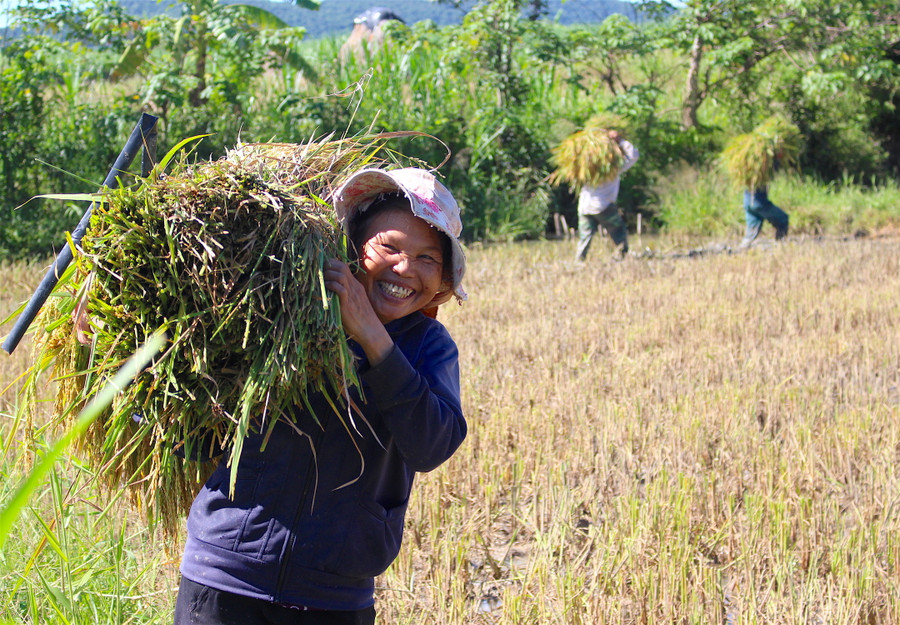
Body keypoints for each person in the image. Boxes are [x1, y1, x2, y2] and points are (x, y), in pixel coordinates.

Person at [174, 167, 468, 625]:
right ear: (352, 247)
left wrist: (374, 339)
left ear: (444, 277)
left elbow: (431, 446)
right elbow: (187, 403)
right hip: (225, 575)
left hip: (334, 595)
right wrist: (108, 347)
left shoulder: (428, 346)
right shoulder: (284, 311)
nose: (405, 268)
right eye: (388, 246)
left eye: (428, 258)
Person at [574, 130, 639, 261]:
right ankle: (621, 257)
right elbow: (633, 155)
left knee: (585, 237)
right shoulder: (612, 169)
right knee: (618, 231)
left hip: (585, 207)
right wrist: (620, 140)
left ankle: (579, 260)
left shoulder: (585, 169)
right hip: (603, 206)